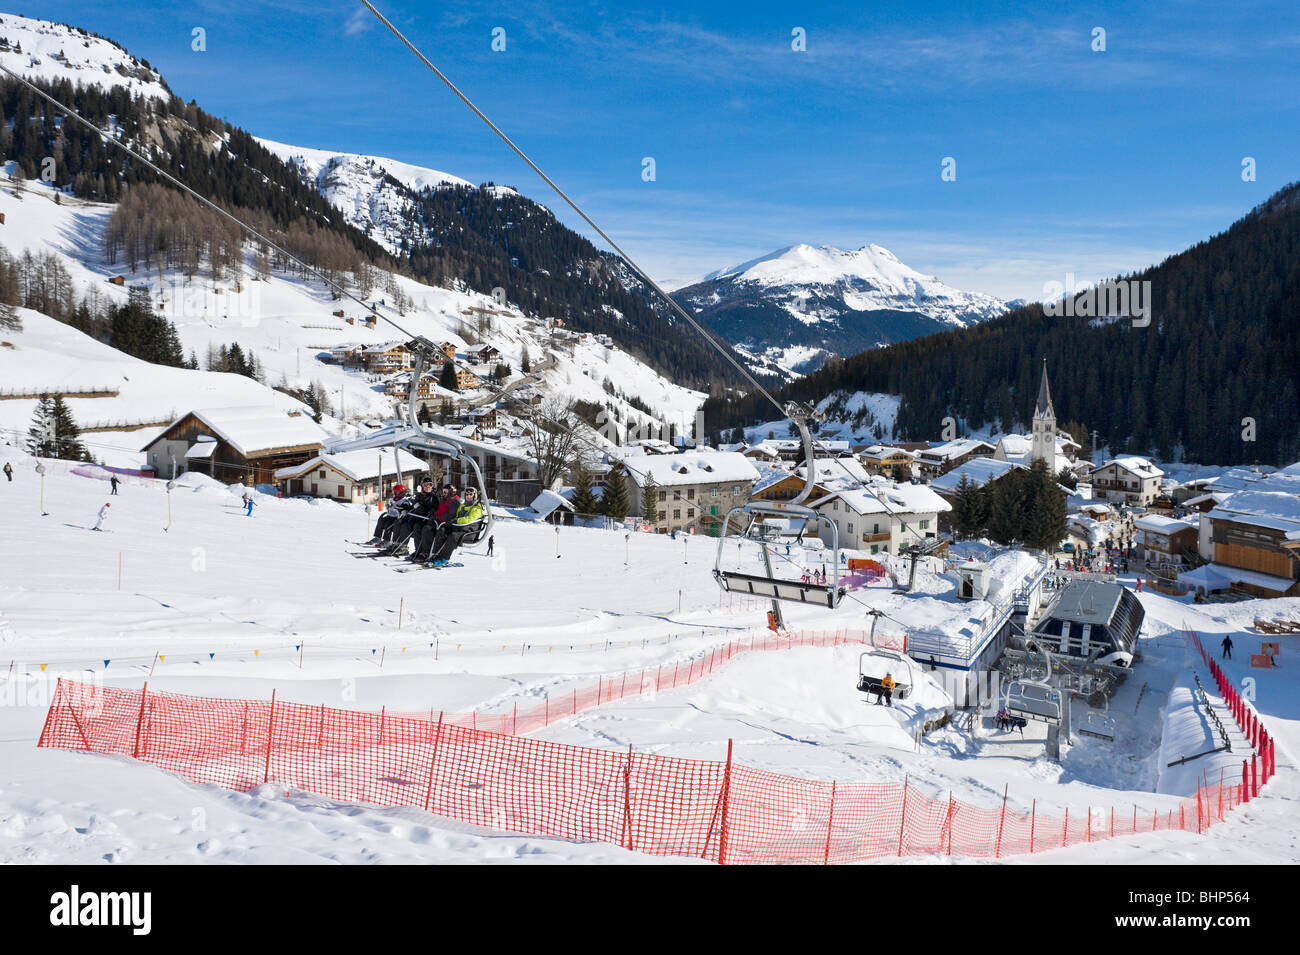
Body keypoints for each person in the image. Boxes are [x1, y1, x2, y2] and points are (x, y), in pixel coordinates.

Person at [426, 486, 485, 566]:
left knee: (453, 536)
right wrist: (450, 520)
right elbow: (457, 516)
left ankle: (444, 558)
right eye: (467, 494)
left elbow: (468, 519)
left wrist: (456, 521)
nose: (468, 496)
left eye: (471, 494)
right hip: (459, 529)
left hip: (469, 533)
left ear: (475, 496)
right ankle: (436, 554)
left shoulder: (477, 509)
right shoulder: (462, 506)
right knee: (442, 530)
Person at [411, 484, 459, 560]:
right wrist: (433, 514)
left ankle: (429, 553)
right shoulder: (444, 500)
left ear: (451, 492)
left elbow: (450, 516)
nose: (443, 494)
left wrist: (437, 517)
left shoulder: (455, 502)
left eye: (445, 492)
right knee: (420, 526)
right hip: (438, 522)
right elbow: (438, 511)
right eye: (443, 492)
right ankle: (420, 551)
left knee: (428, 529)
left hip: (446, 525)